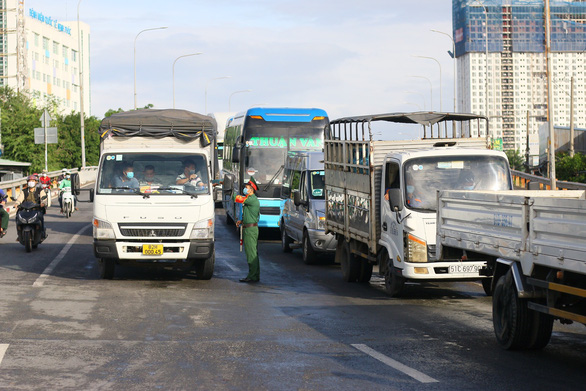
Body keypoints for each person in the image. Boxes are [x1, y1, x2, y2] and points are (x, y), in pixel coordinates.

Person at [234, 177, 260, 283]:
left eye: (246, 188)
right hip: (250, 227)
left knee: (251, 254)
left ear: (251, 190)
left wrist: (231, 192)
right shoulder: (251, 200)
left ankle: (252, 276)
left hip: (250, 230)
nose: (245, 189)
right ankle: (255, 275)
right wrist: (242, 221)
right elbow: (249, 214)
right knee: (253, 253)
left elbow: (238, 198)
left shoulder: (251, 199)